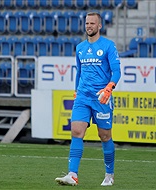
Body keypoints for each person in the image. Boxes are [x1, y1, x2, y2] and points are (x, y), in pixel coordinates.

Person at [55, 12, 121, 186]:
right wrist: (76, 91)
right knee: (76, 131)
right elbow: (79, 72)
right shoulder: (80, 48)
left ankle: (109, 174)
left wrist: (109, 88)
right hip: (83, 96)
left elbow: (117, 72)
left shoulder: (108, 46)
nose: (89, 26)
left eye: (92, 23)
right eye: (87, 23)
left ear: (99, 26)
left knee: (104, 136)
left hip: (101, 98)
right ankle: (72, 174)